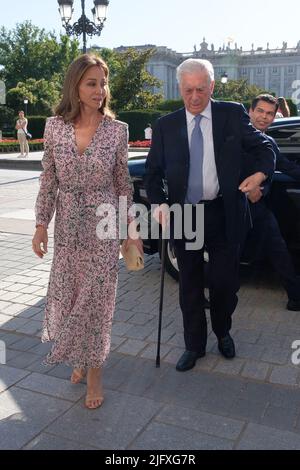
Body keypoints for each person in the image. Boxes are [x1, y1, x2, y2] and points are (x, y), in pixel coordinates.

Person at [145, 58, 275, 372]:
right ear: (180, 88)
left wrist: (260, 175)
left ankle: (223, 331)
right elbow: (152, 173)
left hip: (223, 212)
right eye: (188, 90)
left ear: (212, 86)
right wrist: (159, 202)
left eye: (200, 89)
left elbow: (265, 148)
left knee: (224, 284)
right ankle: (194, 345)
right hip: (185, 215)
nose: (193, 97)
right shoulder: (166, 125)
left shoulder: (231, 114)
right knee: (189, 283)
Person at [32, 54, 142, 409]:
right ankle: (79, 356)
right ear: (76, 87)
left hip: (104, 225)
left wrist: (131, 230)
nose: (100, 90)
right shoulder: (54, 127)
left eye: (103, 82)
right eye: (91, 83)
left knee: (96, 301)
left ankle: (95, 372)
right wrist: (40, 225)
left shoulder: (117, 130)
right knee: (69, 297)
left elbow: (123, 185)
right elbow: (49, 179)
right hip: (67, 227)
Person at [243, 94, 300, 311]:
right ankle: (211, 296)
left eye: (269, 114)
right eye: (260, 111)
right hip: (232, 206)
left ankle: (295, 297)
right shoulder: (235, 138)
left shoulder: (270, 142)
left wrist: (261, 189)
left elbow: (287, 166)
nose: (264, 117)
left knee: (278, 248)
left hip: (258, 208)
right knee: (228, 255)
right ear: (251, 111)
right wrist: (248, 189)